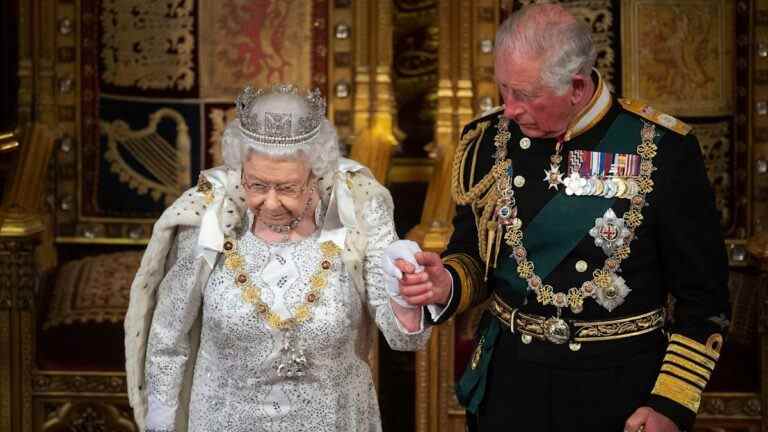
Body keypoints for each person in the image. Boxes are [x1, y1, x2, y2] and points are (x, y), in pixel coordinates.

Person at [388, 4, 730, 432]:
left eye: (526, 95)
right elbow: (473, 254)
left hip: (619, 394)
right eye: (504, 90)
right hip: (511, 387)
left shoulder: (661, 148)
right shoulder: (487, 140)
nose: (510, 109)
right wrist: (448, 283)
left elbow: (705, 299)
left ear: (577, 86)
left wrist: (670, 405)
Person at [124, 84, 434, 431]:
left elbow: (405, 339)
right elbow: (168, 340)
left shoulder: (359, 209)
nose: (270, 203)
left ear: (316, 173)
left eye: (287, 188)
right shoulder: (208, 215)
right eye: (256, 185)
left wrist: (408, 293)